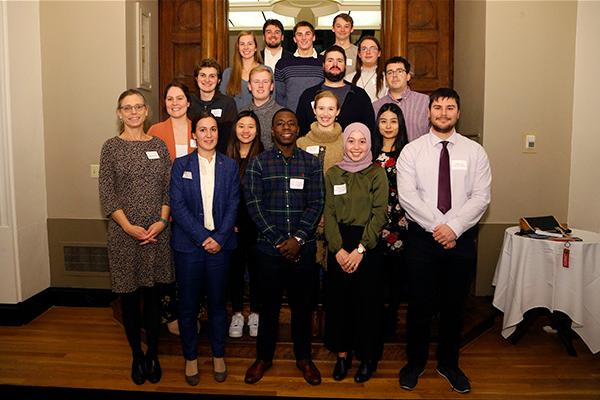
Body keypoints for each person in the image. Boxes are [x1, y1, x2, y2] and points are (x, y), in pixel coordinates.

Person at [396, 88, 491, 394]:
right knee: (420, 306)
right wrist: (441, 227)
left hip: (460, 240)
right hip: (422, 241)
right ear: (429, 112)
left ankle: (449, 364)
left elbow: (481, 197)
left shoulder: (475, 152)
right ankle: (415, 363)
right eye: (438, 107)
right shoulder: (412, 151)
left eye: (450, 108)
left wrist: (454, 228)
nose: (443, 113)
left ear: (458, 113)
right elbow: (408, 198)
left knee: (454, 307)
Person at [243, 109, 325, 386]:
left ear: (298, 128)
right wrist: (279, 240)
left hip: (303, 251)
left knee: (303, 307)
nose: (286, 127)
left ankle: (304, 358)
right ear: (273, 130)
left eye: (291, 123)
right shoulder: (258, 164)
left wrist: (298, 239)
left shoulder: (312, 164)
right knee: (268, 308)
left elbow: (317, 203)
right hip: (269, 251)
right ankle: (263, 357)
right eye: (280, 123)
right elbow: (254, 205)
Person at [99, 89, 173, 385]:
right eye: (126, 108)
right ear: (119, 113)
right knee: (129, 300)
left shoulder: (159, 145)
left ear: (146, 112)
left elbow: (169, 189)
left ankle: (153, 353)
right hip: (123, 235)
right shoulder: (111, 147)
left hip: (156, 234)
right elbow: (106, 192)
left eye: (138, 107)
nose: (133, 112)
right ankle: (136, 355)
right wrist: (128, 227)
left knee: (153, 299)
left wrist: (162, 221)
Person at [170, 112, 240, 385]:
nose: (208, 134)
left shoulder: (230, 166)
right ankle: (190, 358)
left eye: (212, 129)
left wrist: (219, 238)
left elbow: (234, 205)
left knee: (218, 305)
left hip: (220, 248)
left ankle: (218, 354)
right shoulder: (180, 165)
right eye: (202, 130)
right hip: (189, 248)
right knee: (187, 306)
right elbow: (178, 205)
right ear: (193, 135)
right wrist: (202, 237)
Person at [323, 122, 388, 383]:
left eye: (362, 141)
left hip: (367, 246)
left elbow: (379, 213)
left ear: (369, 144)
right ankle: (342, 356)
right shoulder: (333, 173)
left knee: (367, 306)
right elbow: (328, 212)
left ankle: (367, 358)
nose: (357, 146)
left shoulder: (377, 173)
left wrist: (360, 249)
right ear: (344, 143)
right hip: (339, 243)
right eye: (352, 141)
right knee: (339, 304)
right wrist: (337, 249)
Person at [147, 80, 193, 336]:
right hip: (164, 207)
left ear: (188, 102)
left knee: (190, 265)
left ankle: (192, 313)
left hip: (194, 208)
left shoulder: (198, 128)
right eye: (170, 99)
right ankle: (171, 315)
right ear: (164, 103)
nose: (175, 103)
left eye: (179, 98)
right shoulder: (154, 130)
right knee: (167, 266)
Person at [226, 110, 264, 338]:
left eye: (251, 126)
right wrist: (230, 223)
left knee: (258, 272)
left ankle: (257, 314)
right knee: (236, 271)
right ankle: (238, 314)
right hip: (232, 227)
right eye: (241, 126)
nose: (246, 131)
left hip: (257, 227)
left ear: (257, 130)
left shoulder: (264, 157)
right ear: (235, 129)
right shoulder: (225, 157)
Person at [372, 103, 410, 336]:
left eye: (393, 121)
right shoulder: (369, 151)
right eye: (383, 121)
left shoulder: (409, 152)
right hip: (374, 220)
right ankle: (376, 315)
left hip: (401, 220)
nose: (388, 126)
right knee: (376, 272)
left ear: (400, 124)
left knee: (397, 272)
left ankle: (392, 314)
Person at [295, 45, 375, 139]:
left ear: (345, 66)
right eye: (330, 60)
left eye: (339, 61)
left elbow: (369, 132)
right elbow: (300, 133)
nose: (335, 64)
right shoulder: (308, 95)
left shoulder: (360, 96)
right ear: (323, 65)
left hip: (350, 153)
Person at [372, 56, 430, 142]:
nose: (394, 75)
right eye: (390, 72)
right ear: (385, 79)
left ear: (408, 76)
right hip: (388, 155)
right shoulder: (376, 106)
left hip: (420, 154)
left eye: (399, 71)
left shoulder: (425, 101)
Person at [188, 59, 238, 154]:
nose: (207, 80)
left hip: (220, 156)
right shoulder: (188, 102)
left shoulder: (228, 103)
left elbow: (230, 138)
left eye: (212, 76)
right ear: (196, 78)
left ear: (218, 80)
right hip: (191, 155)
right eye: (203, 75)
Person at [274, 21, 324, 112]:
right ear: (294, 39)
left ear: (313, 37)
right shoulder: (283, 64)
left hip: (320, 118)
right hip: (291, 119)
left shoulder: (324, 62)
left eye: (307, 34)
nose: (303, 38)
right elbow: (279, 96)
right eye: (299, 34)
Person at [296, 90, 344, 173]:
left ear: (337, 112)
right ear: (314, 110)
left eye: (331, 109)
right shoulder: (301, 143)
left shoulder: (346, 141)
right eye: (321, 108)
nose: (325, 114)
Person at [241, 65, 283, 150]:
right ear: (249, 86)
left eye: (265, 82)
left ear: (271, 86)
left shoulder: (281, 114)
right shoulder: (242, 113)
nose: (260, 85)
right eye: (256, 82)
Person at [220, 31, 263, 110]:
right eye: (242, 44)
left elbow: (271, 101)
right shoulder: (228, 74)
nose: (246, 47)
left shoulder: (265, 71)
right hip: (234, 120)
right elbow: (222, 102)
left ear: (256, 47)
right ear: (238, 48)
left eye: (250, 44)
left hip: (260, 119)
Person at [345, 36, 386, 102]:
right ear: (359, 54)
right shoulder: (348, 78)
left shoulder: (386, 78)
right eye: (364, 49)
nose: (368, 52)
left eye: (372, 49)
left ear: (379, 53)